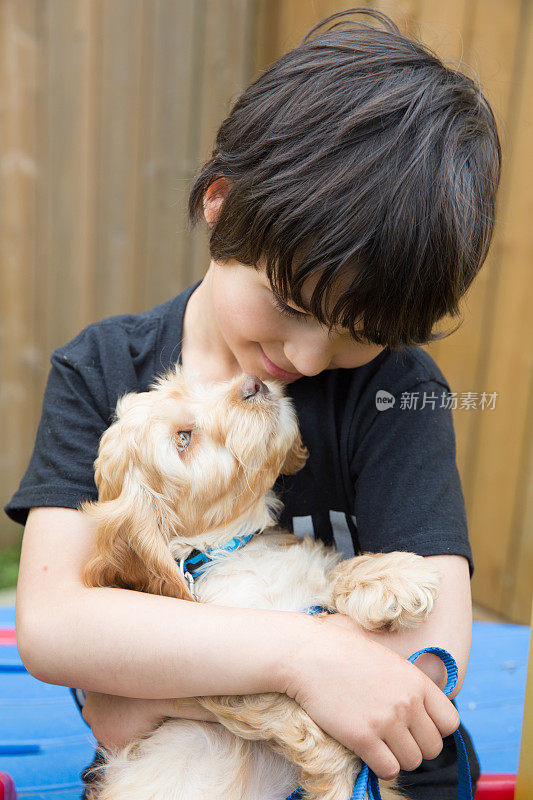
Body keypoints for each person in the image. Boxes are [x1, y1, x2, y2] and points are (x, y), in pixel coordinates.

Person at [7, 8, 501, 799]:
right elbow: (58, 626)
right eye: (290, 304)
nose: (306, 359)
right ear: (219, 203)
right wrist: (309, 656)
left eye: (357, 333)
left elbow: (424, 661)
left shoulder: (397, 390)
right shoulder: (102, 369)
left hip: (388, 776)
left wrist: (152, 677)